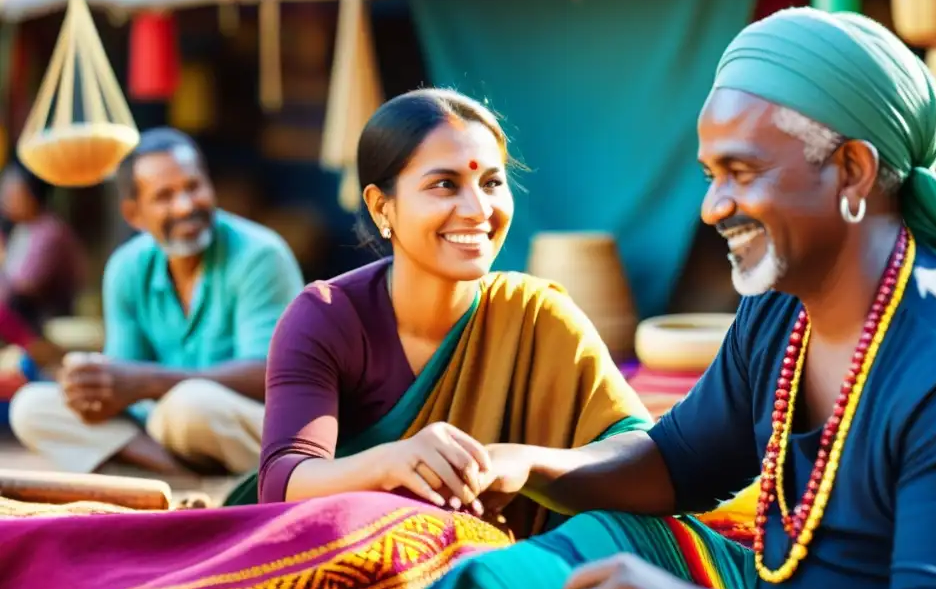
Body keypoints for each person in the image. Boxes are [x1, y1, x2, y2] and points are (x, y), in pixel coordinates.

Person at [144, 7, 936, 589]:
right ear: (381, 208)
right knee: (497, 582)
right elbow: (680, 461)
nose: (713, 205)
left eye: (740, 172)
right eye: (708, 173)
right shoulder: (777, 315)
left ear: (853, 171)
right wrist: (531, 465)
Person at [224, 88, 653, 540]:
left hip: (506, 565)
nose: (478, 210)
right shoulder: (326, 319)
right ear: (380, 206)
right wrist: (393, 461)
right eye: (444, 184)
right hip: (347, 553)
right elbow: (283, 483)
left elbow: (641, 453)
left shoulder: (536, 316)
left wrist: (527, 462)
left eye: (491, 182)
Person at [8, 128, 305, 477]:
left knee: (188, 406)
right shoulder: (127, 268)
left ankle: (172, 480)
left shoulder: (260, 255)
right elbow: (125, 379)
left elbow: (272, 376)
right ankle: (190, 479)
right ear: (134, 214)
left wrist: (149, 382)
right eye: (164, 196)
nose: (185, 206)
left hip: (244, 427)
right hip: (164, 432)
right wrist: (94, 387)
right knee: (31, 408)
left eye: (194, 187)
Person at [0, 160, 86, 370]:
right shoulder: (24, 229)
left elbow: (24, 286)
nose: (5, 199)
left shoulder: (49, 232)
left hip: (42, 328)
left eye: (11, 192)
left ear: (32, 194)